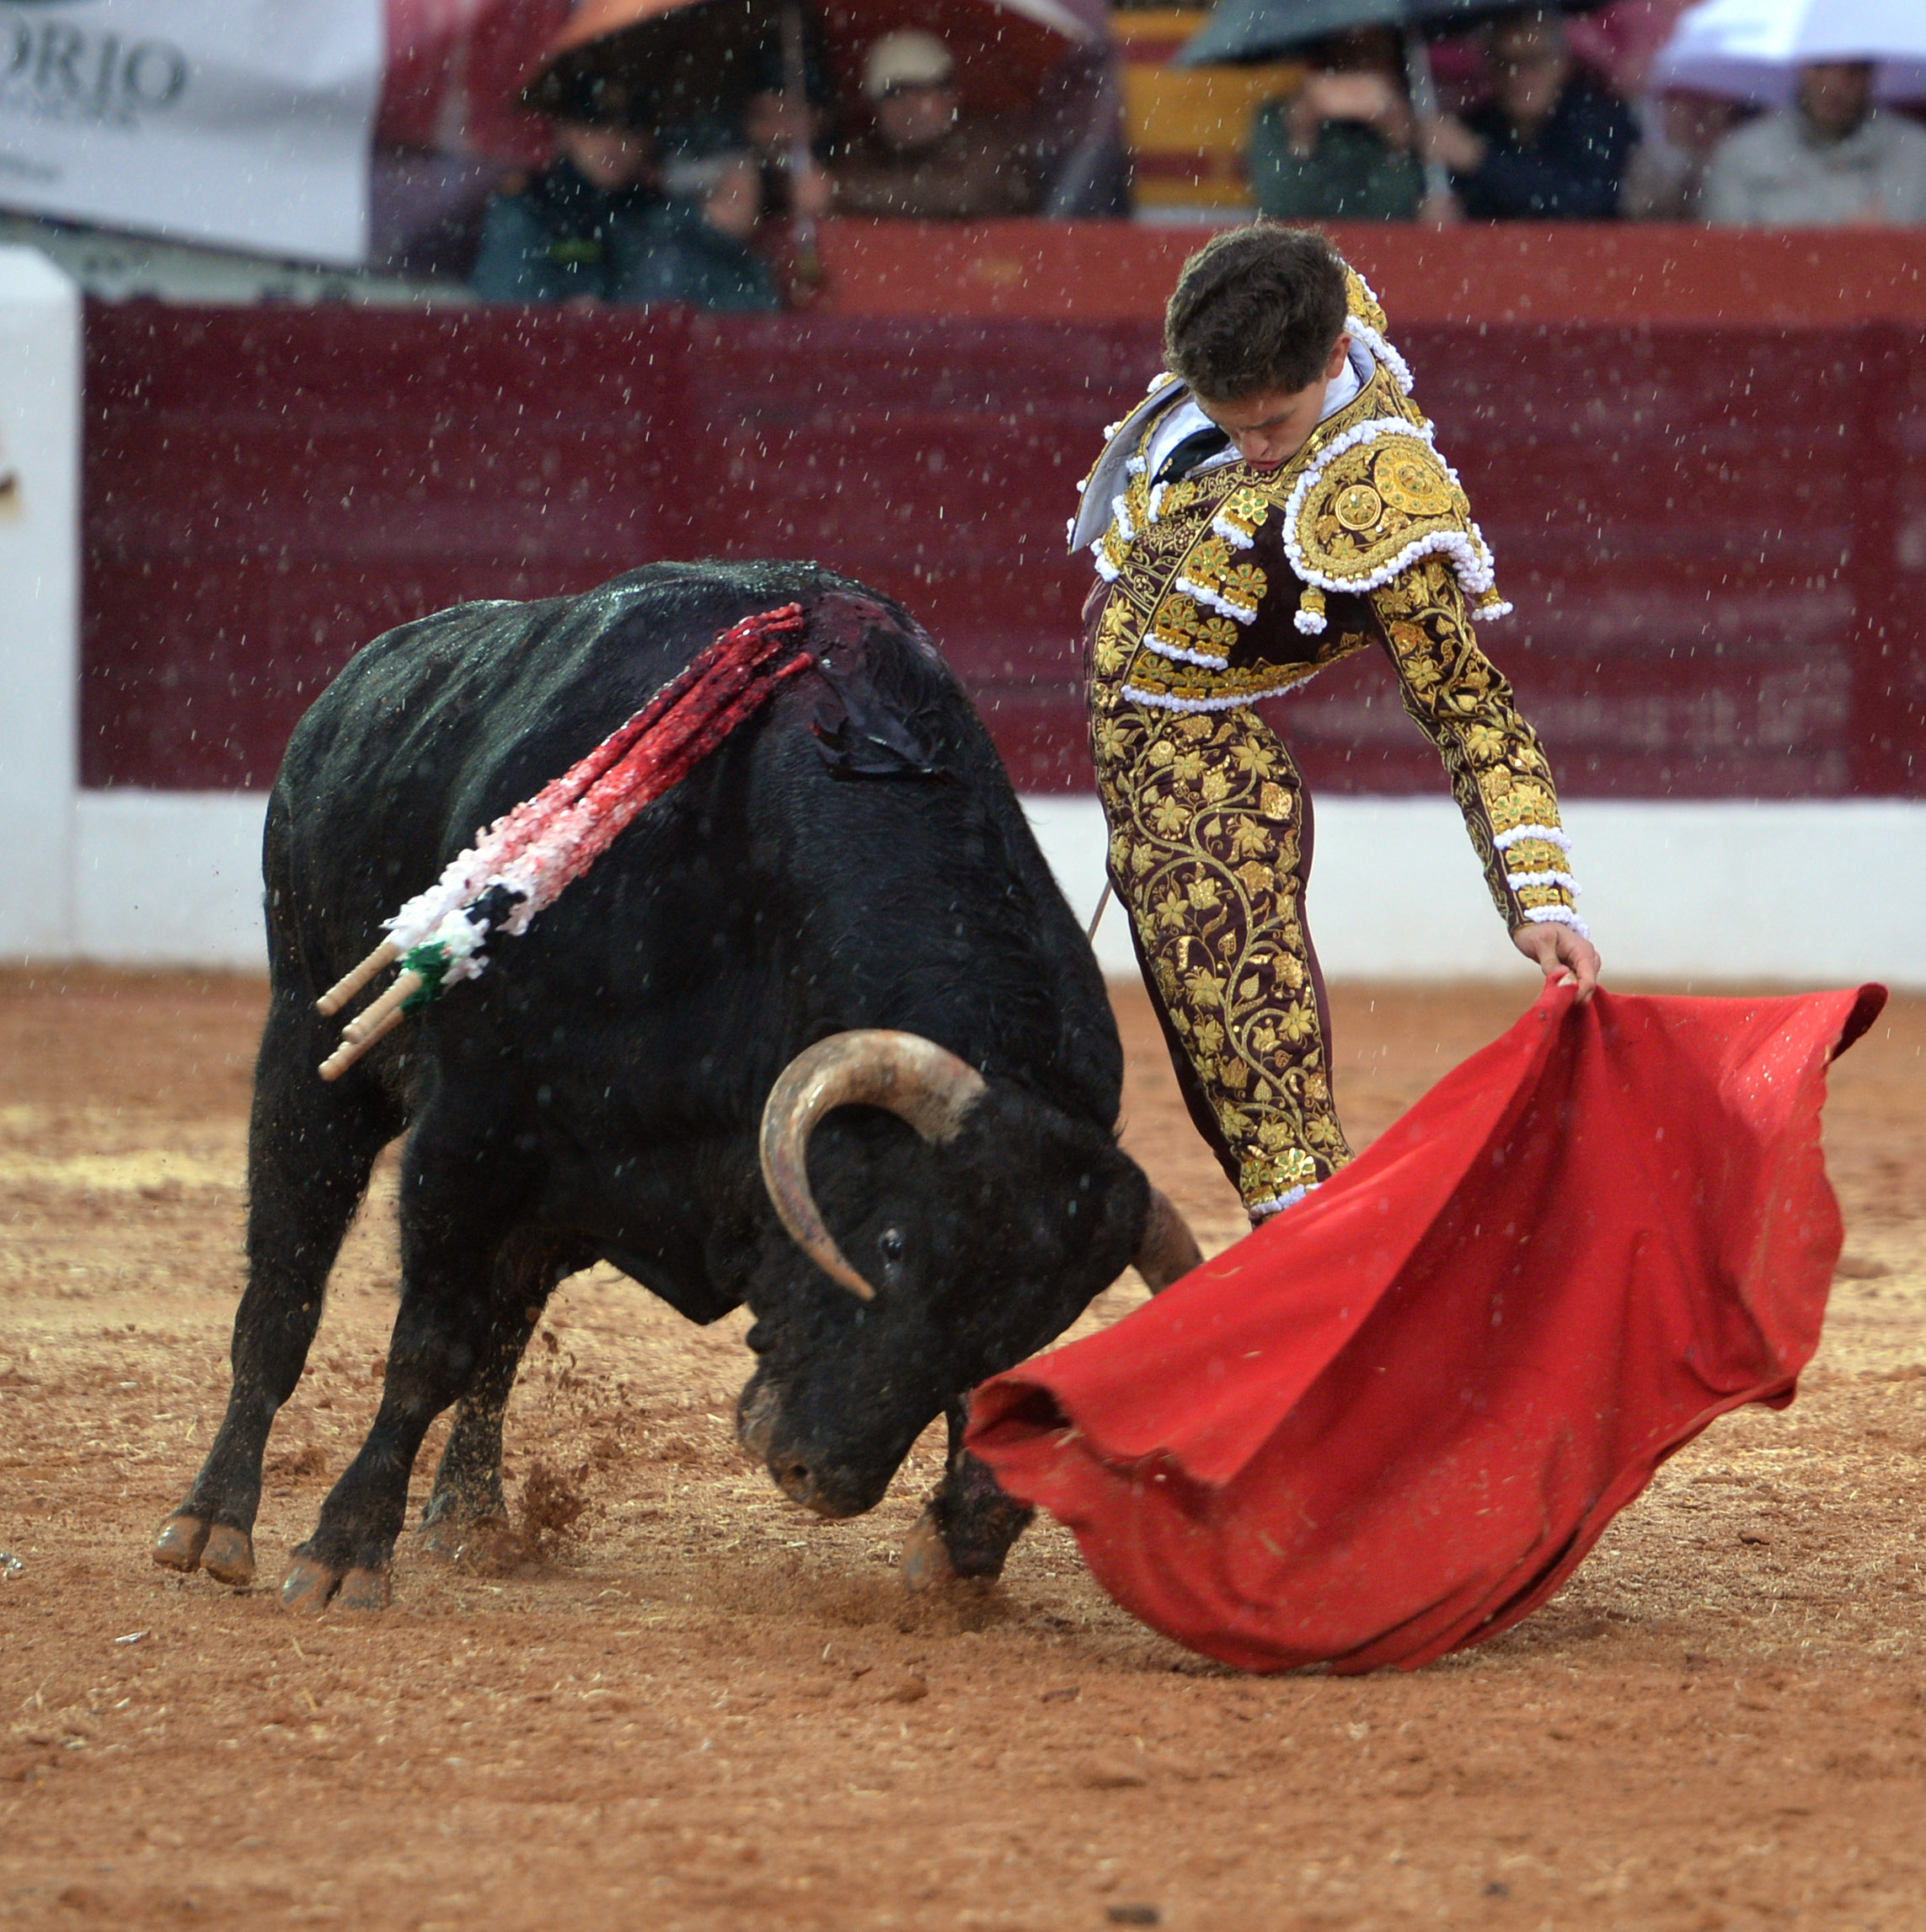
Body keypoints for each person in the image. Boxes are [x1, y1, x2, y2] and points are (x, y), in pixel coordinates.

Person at [1067, 223, 1599, 1221]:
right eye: (1228, 420)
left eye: (1273, 422)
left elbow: (1469, 708)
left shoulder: (1385, 504)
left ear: (1330, 362)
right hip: (1148, 758)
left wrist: (1540, 898)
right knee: (1237, 1091)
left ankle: (1342, 1308)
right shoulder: (1284, 304)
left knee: (1268, 1117)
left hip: (1207, 781)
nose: (1252, 445)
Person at [471, 108, 779, 310]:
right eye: (595, 125)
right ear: (566, 130)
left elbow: (751, 306)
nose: (611, 143)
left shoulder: (662, 212)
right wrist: (564, 312)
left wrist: (718, 231)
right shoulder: (528, 206)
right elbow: (506, 304)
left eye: (627, 129)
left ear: (646, 139)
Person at [1420, 8, 1637, 220]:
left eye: (1533, 61)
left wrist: (1481, 160)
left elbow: (1587, 203)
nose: (1519, 76)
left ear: (1561, 63)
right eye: (1505, 63)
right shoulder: (1477, 127)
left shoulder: (1599, 118)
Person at [829, 30, 1040, 218]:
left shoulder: (987, 143)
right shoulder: (861, 150)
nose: (909, 108)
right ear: (874, 109)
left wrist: (839, 192)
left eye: (921, 92)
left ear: (952, 97)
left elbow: (960, 193)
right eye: (893, 95)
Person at [1704, 62, 1926, 226]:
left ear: (1873, 74)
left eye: (1854, 70)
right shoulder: (1742, 155)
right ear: (1799, 68)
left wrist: (1891, 252)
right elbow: (1728, 258)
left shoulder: (1917, 154)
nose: (1836, 84)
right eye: (1820, 66)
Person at [1248, 29, 1424, 222]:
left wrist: (1399, 141)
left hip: (1379, 245)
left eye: (1370, 54)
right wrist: (1303, 132)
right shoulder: (1274, 117)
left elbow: (1395, 212)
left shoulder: (1414, 115)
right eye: (1343, 55)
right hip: (1306, 248)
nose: (1354, 72)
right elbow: (1283, 208)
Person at [1620, 89, 1745, 219]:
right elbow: (1638, 211)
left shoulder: (1736, 158)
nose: (1695, 121)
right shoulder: (1650, 161)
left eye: (1704, 108)